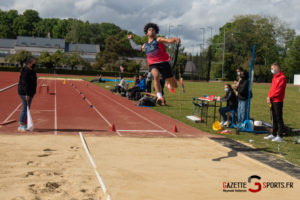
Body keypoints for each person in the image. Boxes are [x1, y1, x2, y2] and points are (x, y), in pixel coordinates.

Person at [128, 22, 180, 105]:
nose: (151, 30)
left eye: (153, 29)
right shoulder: (145, 46)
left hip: (164, 63)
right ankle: (159, 96)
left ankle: (169, 84)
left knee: (174, 85)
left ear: (155, 32)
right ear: (146, 33)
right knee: (155, 76)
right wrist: (130, 39)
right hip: (153, 64)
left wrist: (175, 40)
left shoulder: (158, 40)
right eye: (149, 29)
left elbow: (168, 40)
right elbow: (135, 47)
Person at [264, 63, 287, 142]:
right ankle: (273, 134)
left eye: (272, 68)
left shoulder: (282, 77)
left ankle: (280, 135)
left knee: (278, 118)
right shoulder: (274, 77)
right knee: (273, 118)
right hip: (272, 100)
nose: (272, 70)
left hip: (278, 100)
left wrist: (271, 96)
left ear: (277, 68)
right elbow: (272, 89)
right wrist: (268, 96)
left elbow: (278, 90)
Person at [17, 57, 37, 131]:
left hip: (30, 92)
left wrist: (33, 92)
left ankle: (25, 123)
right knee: (25, 107)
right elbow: (24, 83)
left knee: (27, 107)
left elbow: (33, 82)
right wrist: (26, 94)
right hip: (24, 92)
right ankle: (21, 124)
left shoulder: (33, 71)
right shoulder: (25, 70)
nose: (35, 63)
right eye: (33, 62)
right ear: (29, 63)